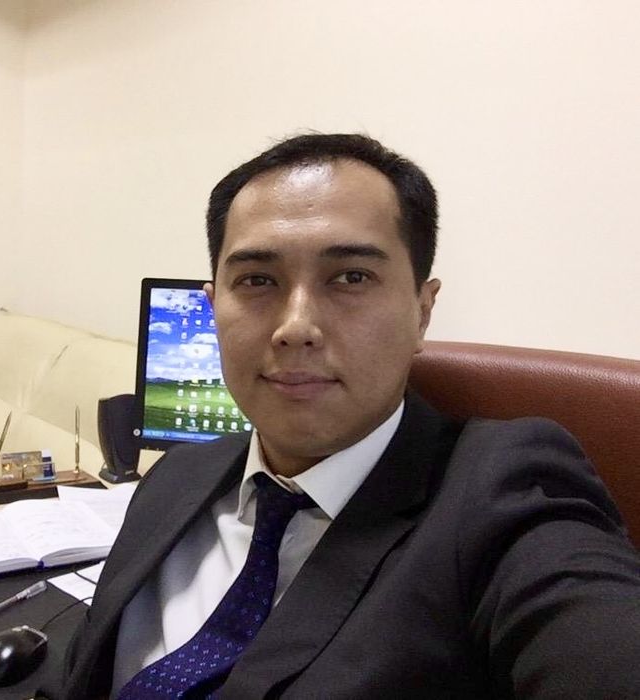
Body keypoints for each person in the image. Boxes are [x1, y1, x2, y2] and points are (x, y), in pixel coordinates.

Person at [56, 134, 640, 698]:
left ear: (422, 310)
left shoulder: (504, 492)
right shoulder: (176, 476)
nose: (295, 328)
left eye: (351, 277)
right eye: (256, 280)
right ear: (213, 308)